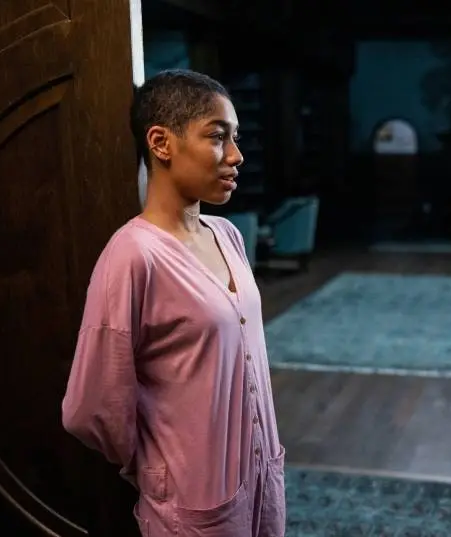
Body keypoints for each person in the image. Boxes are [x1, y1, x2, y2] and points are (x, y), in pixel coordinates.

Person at [62, 69, 286, 537]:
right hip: (193, 501)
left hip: (260, 486)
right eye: (217, 137)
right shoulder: (132, 255)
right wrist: (160, 466)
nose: (236, 155)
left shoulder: (227, 234)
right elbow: (90, 408)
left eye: (235, 138)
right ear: (161, 143)